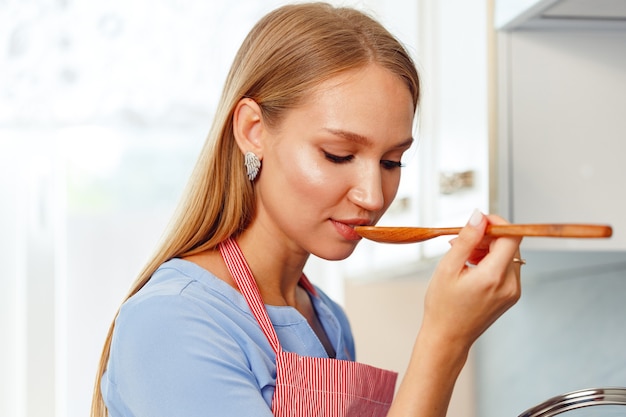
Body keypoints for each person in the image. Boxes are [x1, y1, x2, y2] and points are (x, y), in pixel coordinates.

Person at [91, 2, 523, 417]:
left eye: (392, 162)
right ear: (253, 130)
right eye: (338, 154)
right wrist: (445, 338)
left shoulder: (324, 317)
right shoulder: (172, 322)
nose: (373, 196)